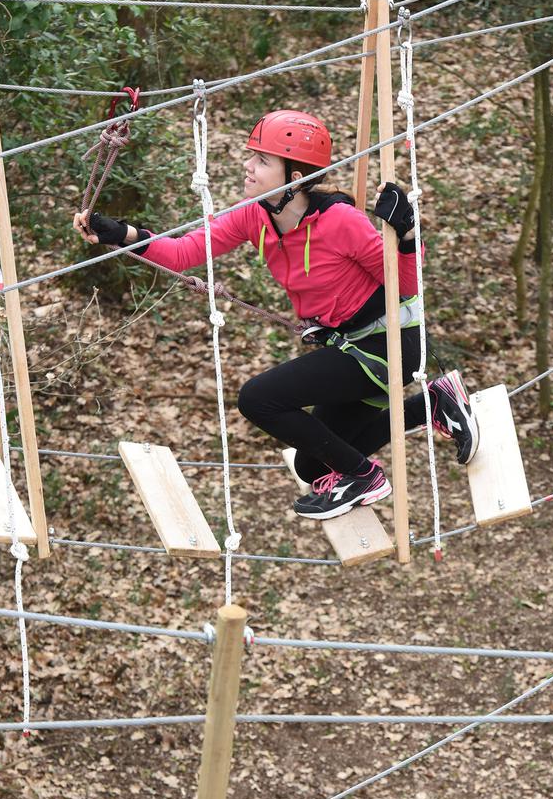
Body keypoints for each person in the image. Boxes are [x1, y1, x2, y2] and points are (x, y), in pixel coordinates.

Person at [72, 108, 478, 519]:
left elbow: (406, 284)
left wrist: (407, 235)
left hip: (389, 343)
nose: (248, 166)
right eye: (252, 156)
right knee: (312, 466)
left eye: (262, 160)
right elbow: (183, 252)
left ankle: (364, 478)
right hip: (350, 346)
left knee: (258, 398)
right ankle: (432, 404)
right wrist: (119, 233)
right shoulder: (255, 214)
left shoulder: (340, 221)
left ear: (295, 177)